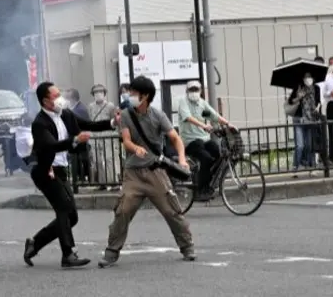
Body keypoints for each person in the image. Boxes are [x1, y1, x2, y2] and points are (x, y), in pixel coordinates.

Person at [98, 76, 195, 268]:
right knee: (123, 210)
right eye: (130, 92)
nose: (130, 95)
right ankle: (111, 251)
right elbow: (125, 140)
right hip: (133, 173)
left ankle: (187, 246)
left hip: (155, 172)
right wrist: (135, 148)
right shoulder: (125, 115)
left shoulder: (158, 115)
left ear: (146, 96)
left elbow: (175, 138)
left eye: (134, 93)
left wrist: (182, 160)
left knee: (171, 210)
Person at [23, 81, 118, 268]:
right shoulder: (39, 123)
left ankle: (35, 243)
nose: (60, 99)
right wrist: (74, 140)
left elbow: (87, 124)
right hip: (45, 171)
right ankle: (68, 254)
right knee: (64, 209)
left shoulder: (65, 114)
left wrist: (113, 122)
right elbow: (52, 145)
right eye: (56, 96)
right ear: (45, 101)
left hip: (61, 170)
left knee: (71, 216)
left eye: (60, 94)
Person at [178, 80, 235, 201]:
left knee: (217, 153)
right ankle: (200, 188)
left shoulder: (202, 104)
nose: (194, 92)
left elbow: (214, 116)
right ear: (187, 91)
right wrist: (203, 126)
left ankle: (210, 182)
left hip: (204, 139)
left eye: (196, 90)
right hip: (190, 140)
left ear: (200, 91)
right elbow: (188, 117)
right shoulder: (184, 102)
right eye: (191, 90)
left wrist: (228, 124)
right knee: (206, 158)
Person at [288, 72, 321, 176]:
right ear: (303, 79)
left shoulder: (316, 88)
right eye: (306, 77)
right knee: (300, 145)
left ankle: (311, 167)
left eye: (310, 77)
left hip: (311, 119)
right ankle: (295, 167)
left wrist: (318, 107)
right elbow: (291, 101)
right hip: (299, 119)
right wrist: (299, 97)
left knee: (309, 145)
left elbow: (319, 101)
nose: (308, 79)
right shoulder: (298, 87)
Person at [87, 84, 119, 190]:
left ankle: (113, 181)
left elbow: (114, 122)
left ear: (104, 94)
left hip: (107, 135)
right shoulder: (91, 106)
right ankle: (102, 183)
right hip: (95, 135)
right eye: (96, 93)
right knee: (97, 160)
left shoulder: (110, 106)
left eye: (100, 92)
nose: (98, 95)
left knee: (109, 159)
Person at [65, 88, 91, 185]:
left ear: (73, 98)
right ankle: (80, 179)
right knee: (77, 160)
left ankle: (83, 180)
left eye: (67, 98)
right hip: (76, 139)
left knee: (82, 160)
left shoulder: (80, 109)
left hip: (81, 139)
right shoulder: (73, 108)